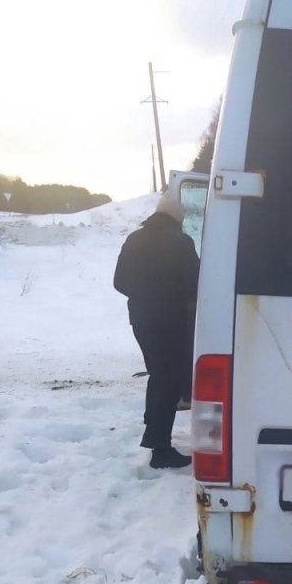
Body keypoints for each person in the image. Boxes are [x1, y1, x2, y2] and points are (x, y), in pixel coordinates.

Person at [114, 192, 199, 469]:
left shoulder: (134, 239)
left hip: (141, 322)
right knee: (169, 380)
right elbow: (196, 282)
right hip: (173, 323)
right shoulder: (181, 242)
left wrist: (142, 297)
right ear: (177, 217)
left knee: (159, 376)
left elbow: (119, 282)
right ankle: (160, 449)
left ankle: (155, 436)